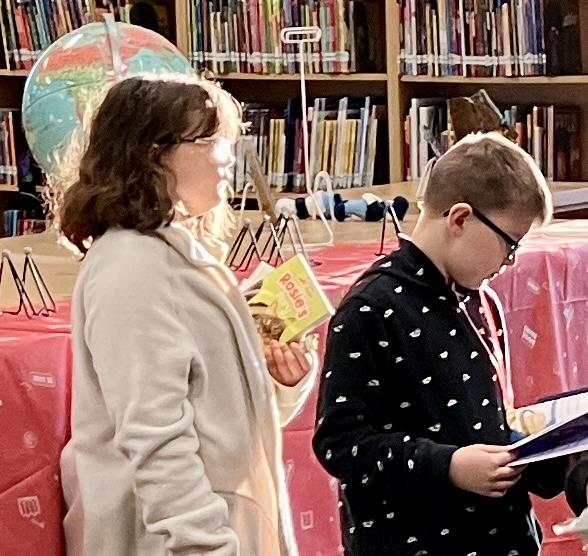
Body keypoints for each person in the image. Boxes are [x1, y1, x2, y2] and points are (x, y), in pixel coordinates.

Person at [58, 74, 316, 555]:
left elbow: (216, 414)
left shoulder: (174, 251)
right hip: (178, 541)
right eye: (212, 141)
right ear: (158, 154)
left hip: (219, 527)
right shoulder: (131, 267)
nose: (226, 157)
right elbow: (154, 437)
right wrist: (206, 545)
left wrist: (278, 381)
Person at [313, 132, 566, 556]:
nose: (509, 263)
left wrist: (544, 454)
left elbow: (483, 425)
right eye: (509, 244)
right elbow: (340, 443)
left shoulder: (480, 299)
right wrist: (447, 465)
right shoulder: (371, 308)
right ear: (461, 219)